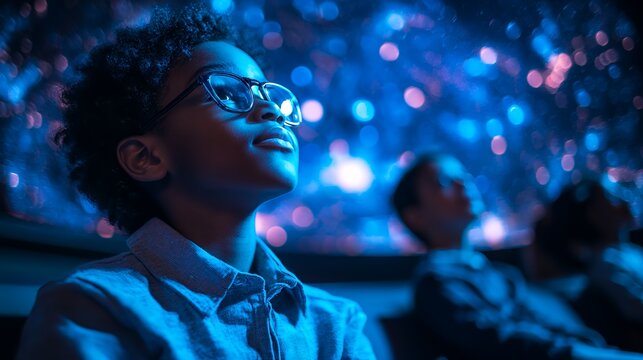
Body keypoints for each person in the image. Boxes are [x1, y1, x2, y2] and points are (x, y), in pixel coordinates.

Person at [16, 4, 374, 359]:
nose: (270, 110)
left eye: (271, 95)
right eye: (228, 92)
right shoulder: (95, 307)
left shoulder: (336, 323)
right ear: (146, 158)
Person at [390, 153, 643, 360]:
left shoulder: (500, 274)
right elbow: (495, 341)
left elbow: (538, 323)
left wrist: (595, 347)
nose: (463, 184)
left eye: (463, 176)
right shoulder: (434, 282)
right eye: (444, 182)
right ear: (415, 216)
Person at [532, 180, 643, 352]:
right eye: (611, 197)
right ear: (592, 214)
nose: (623, 199)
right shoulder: (606, 265)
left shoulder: (627, 252)